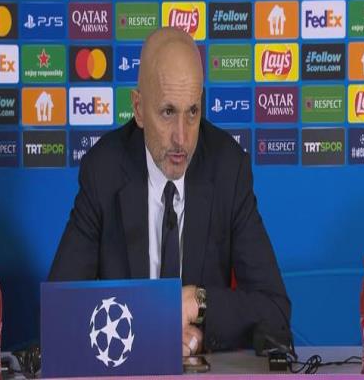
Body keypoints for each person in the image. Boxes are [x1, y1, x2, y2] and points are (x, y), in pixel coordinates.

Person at [48, 27, 291, 356]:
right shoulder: (103, 170)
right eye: (167, 112)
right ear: (138, 109)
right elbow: (59, 311)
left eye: (192, 112)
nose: (182, 138)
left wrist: (197, 304)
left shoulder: (227, 168)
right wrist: (145, 331)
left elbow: (275, 309)